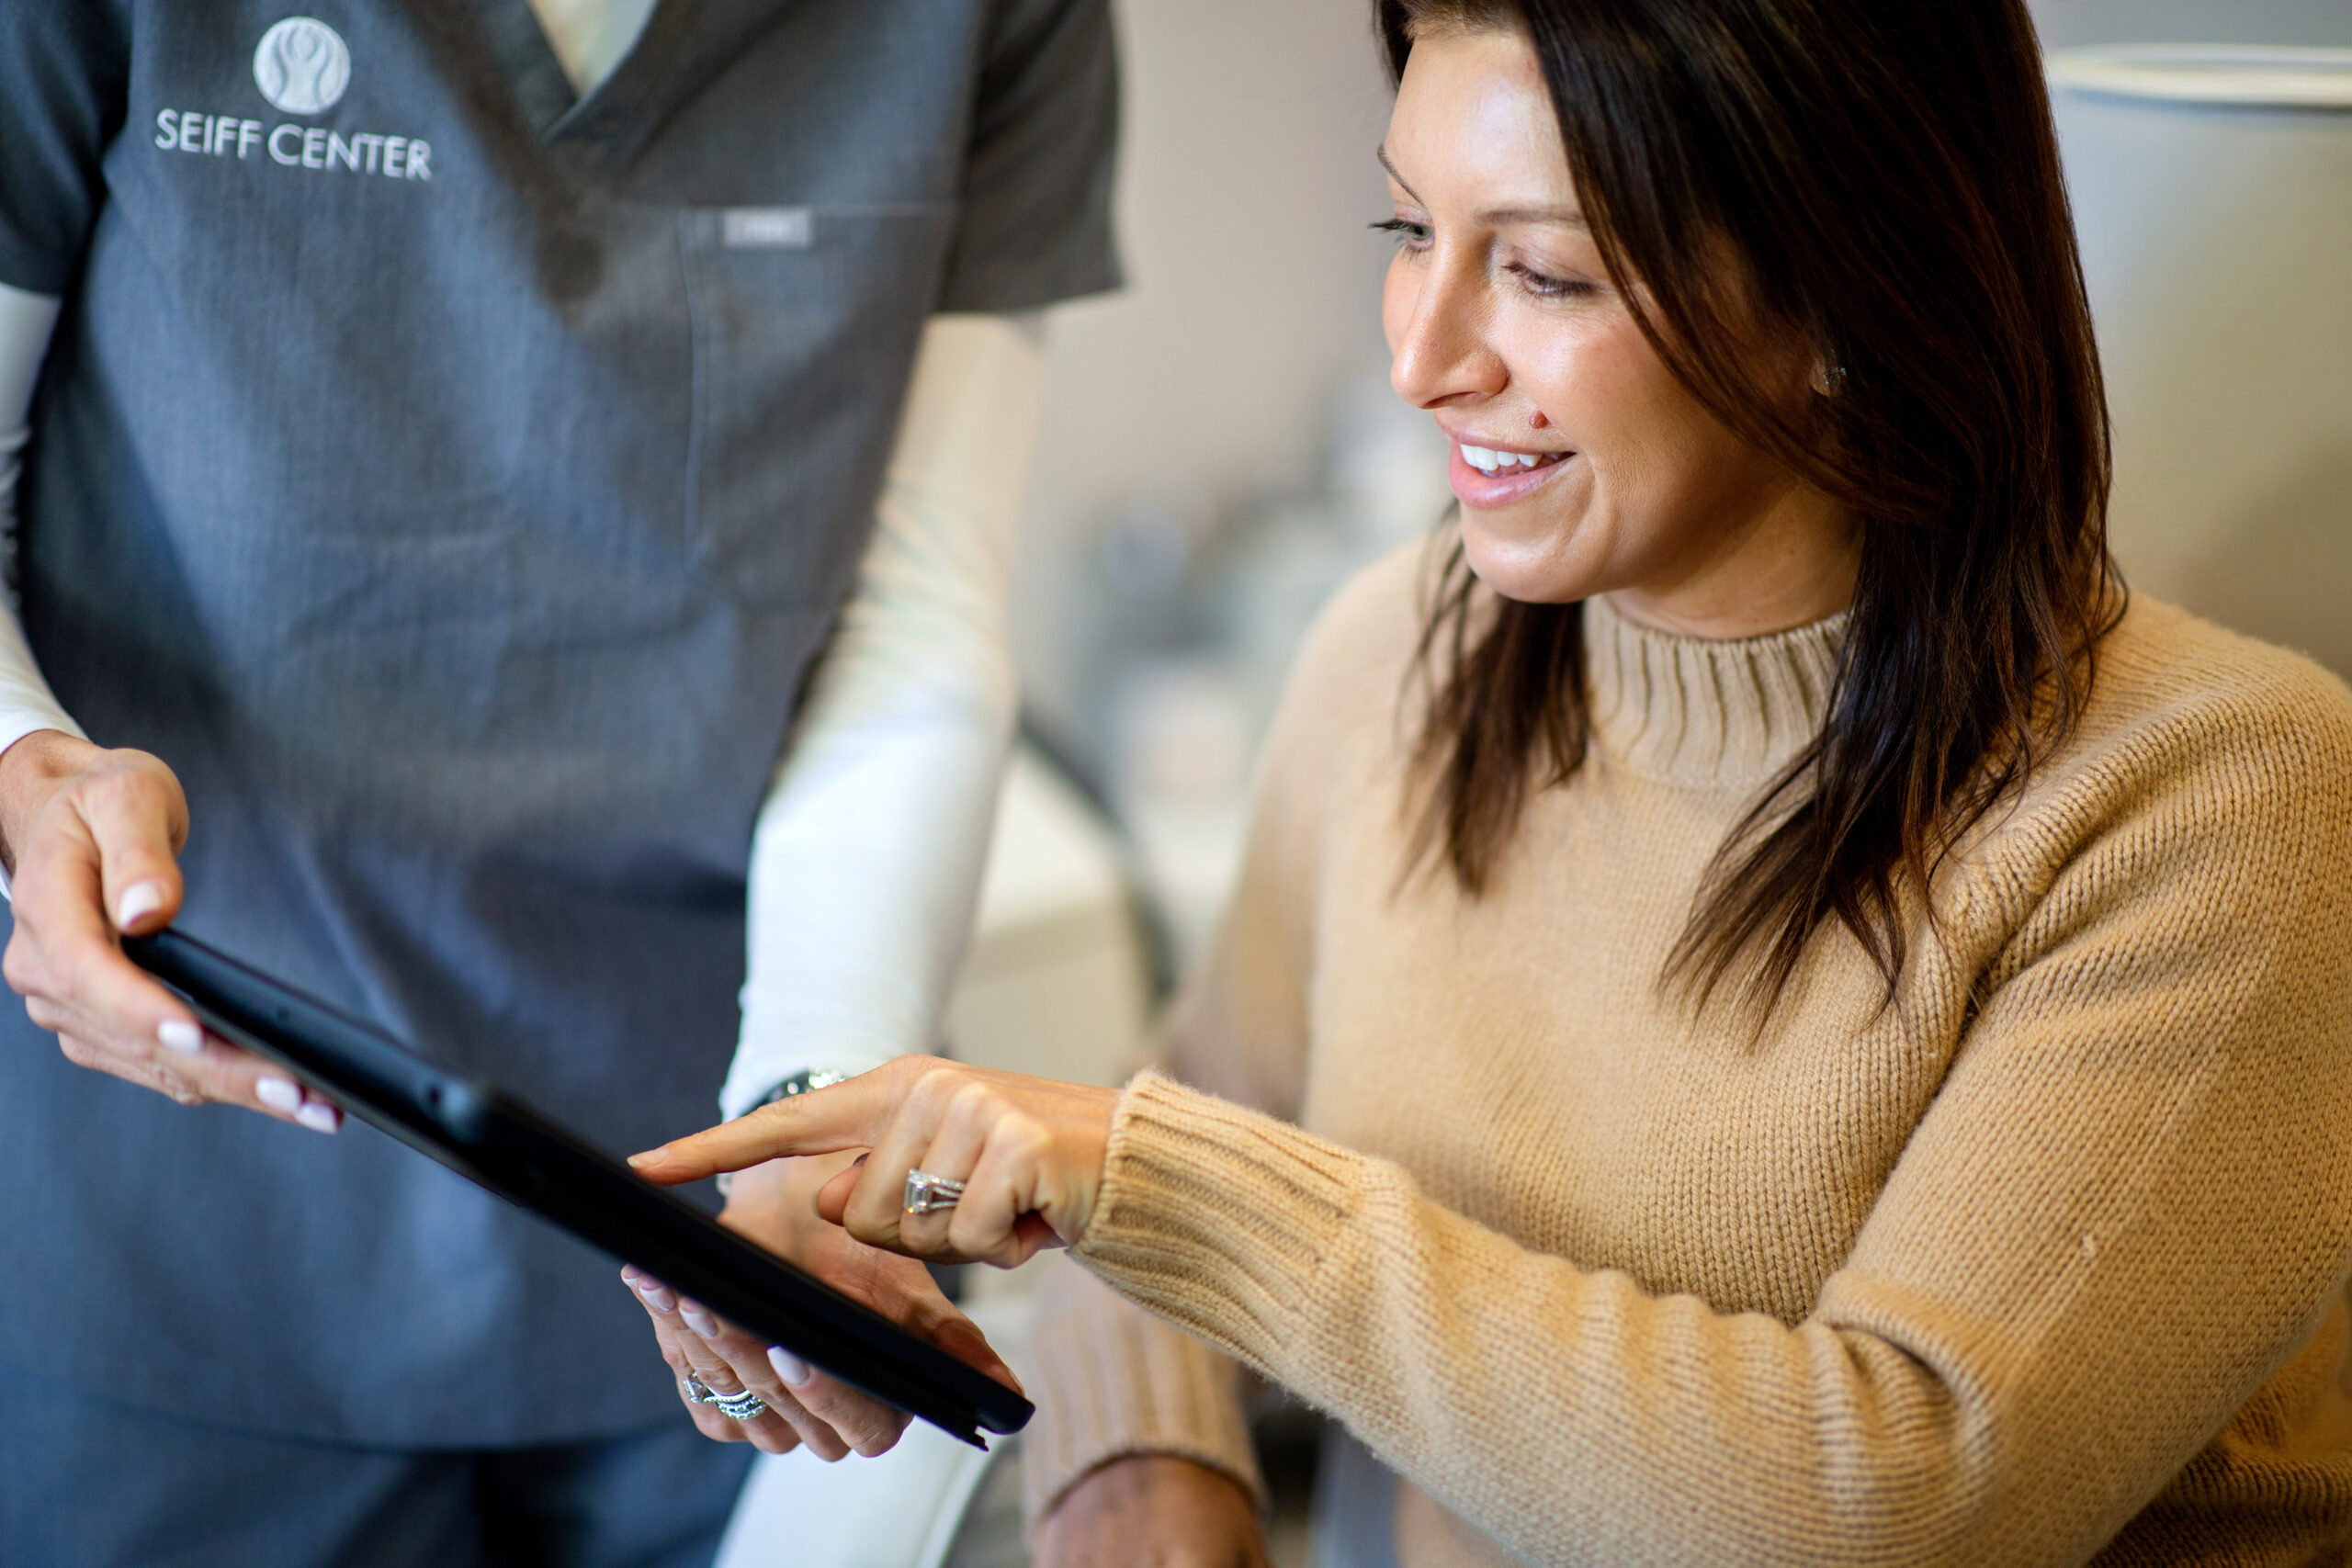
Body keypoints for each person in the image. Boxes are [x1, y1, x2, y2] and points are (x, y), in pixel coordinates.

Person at [628, 1, 2352, 1563]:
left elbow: (1884, 1507)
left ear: (1850, 299)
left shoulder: (2224, 808)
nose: (1421, 356)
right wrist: (1143, 1460)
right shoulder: (1402, 654)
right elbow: (1186, 1113)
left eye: (1543, 274)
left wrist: (1157, 1190)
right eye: (1408, 231)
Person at [0, 1, 1114, 1563]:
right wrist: (20, 770)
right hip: (184, 1232)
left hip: (719, 1216)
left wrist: (815, 1105)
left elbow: (907, 612)